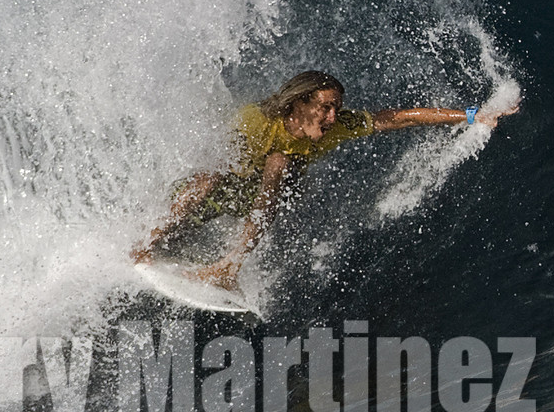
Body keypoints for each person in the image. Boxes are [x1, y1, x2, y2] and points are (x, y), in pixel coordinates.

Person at [131, 70, 518, 288]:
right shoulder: (257, 121)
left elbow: (398, 117)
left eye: (338, 108)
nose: (334, 118)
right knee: (218, 182)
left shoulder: (335, 129)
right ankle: (146, 245)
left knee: (281, 165)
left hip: (262, 194)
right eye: (326, 108)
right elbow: (217, 167)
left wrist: (473, 115)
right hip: (219, 189)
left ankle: (229, 266)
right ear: (299, 105)